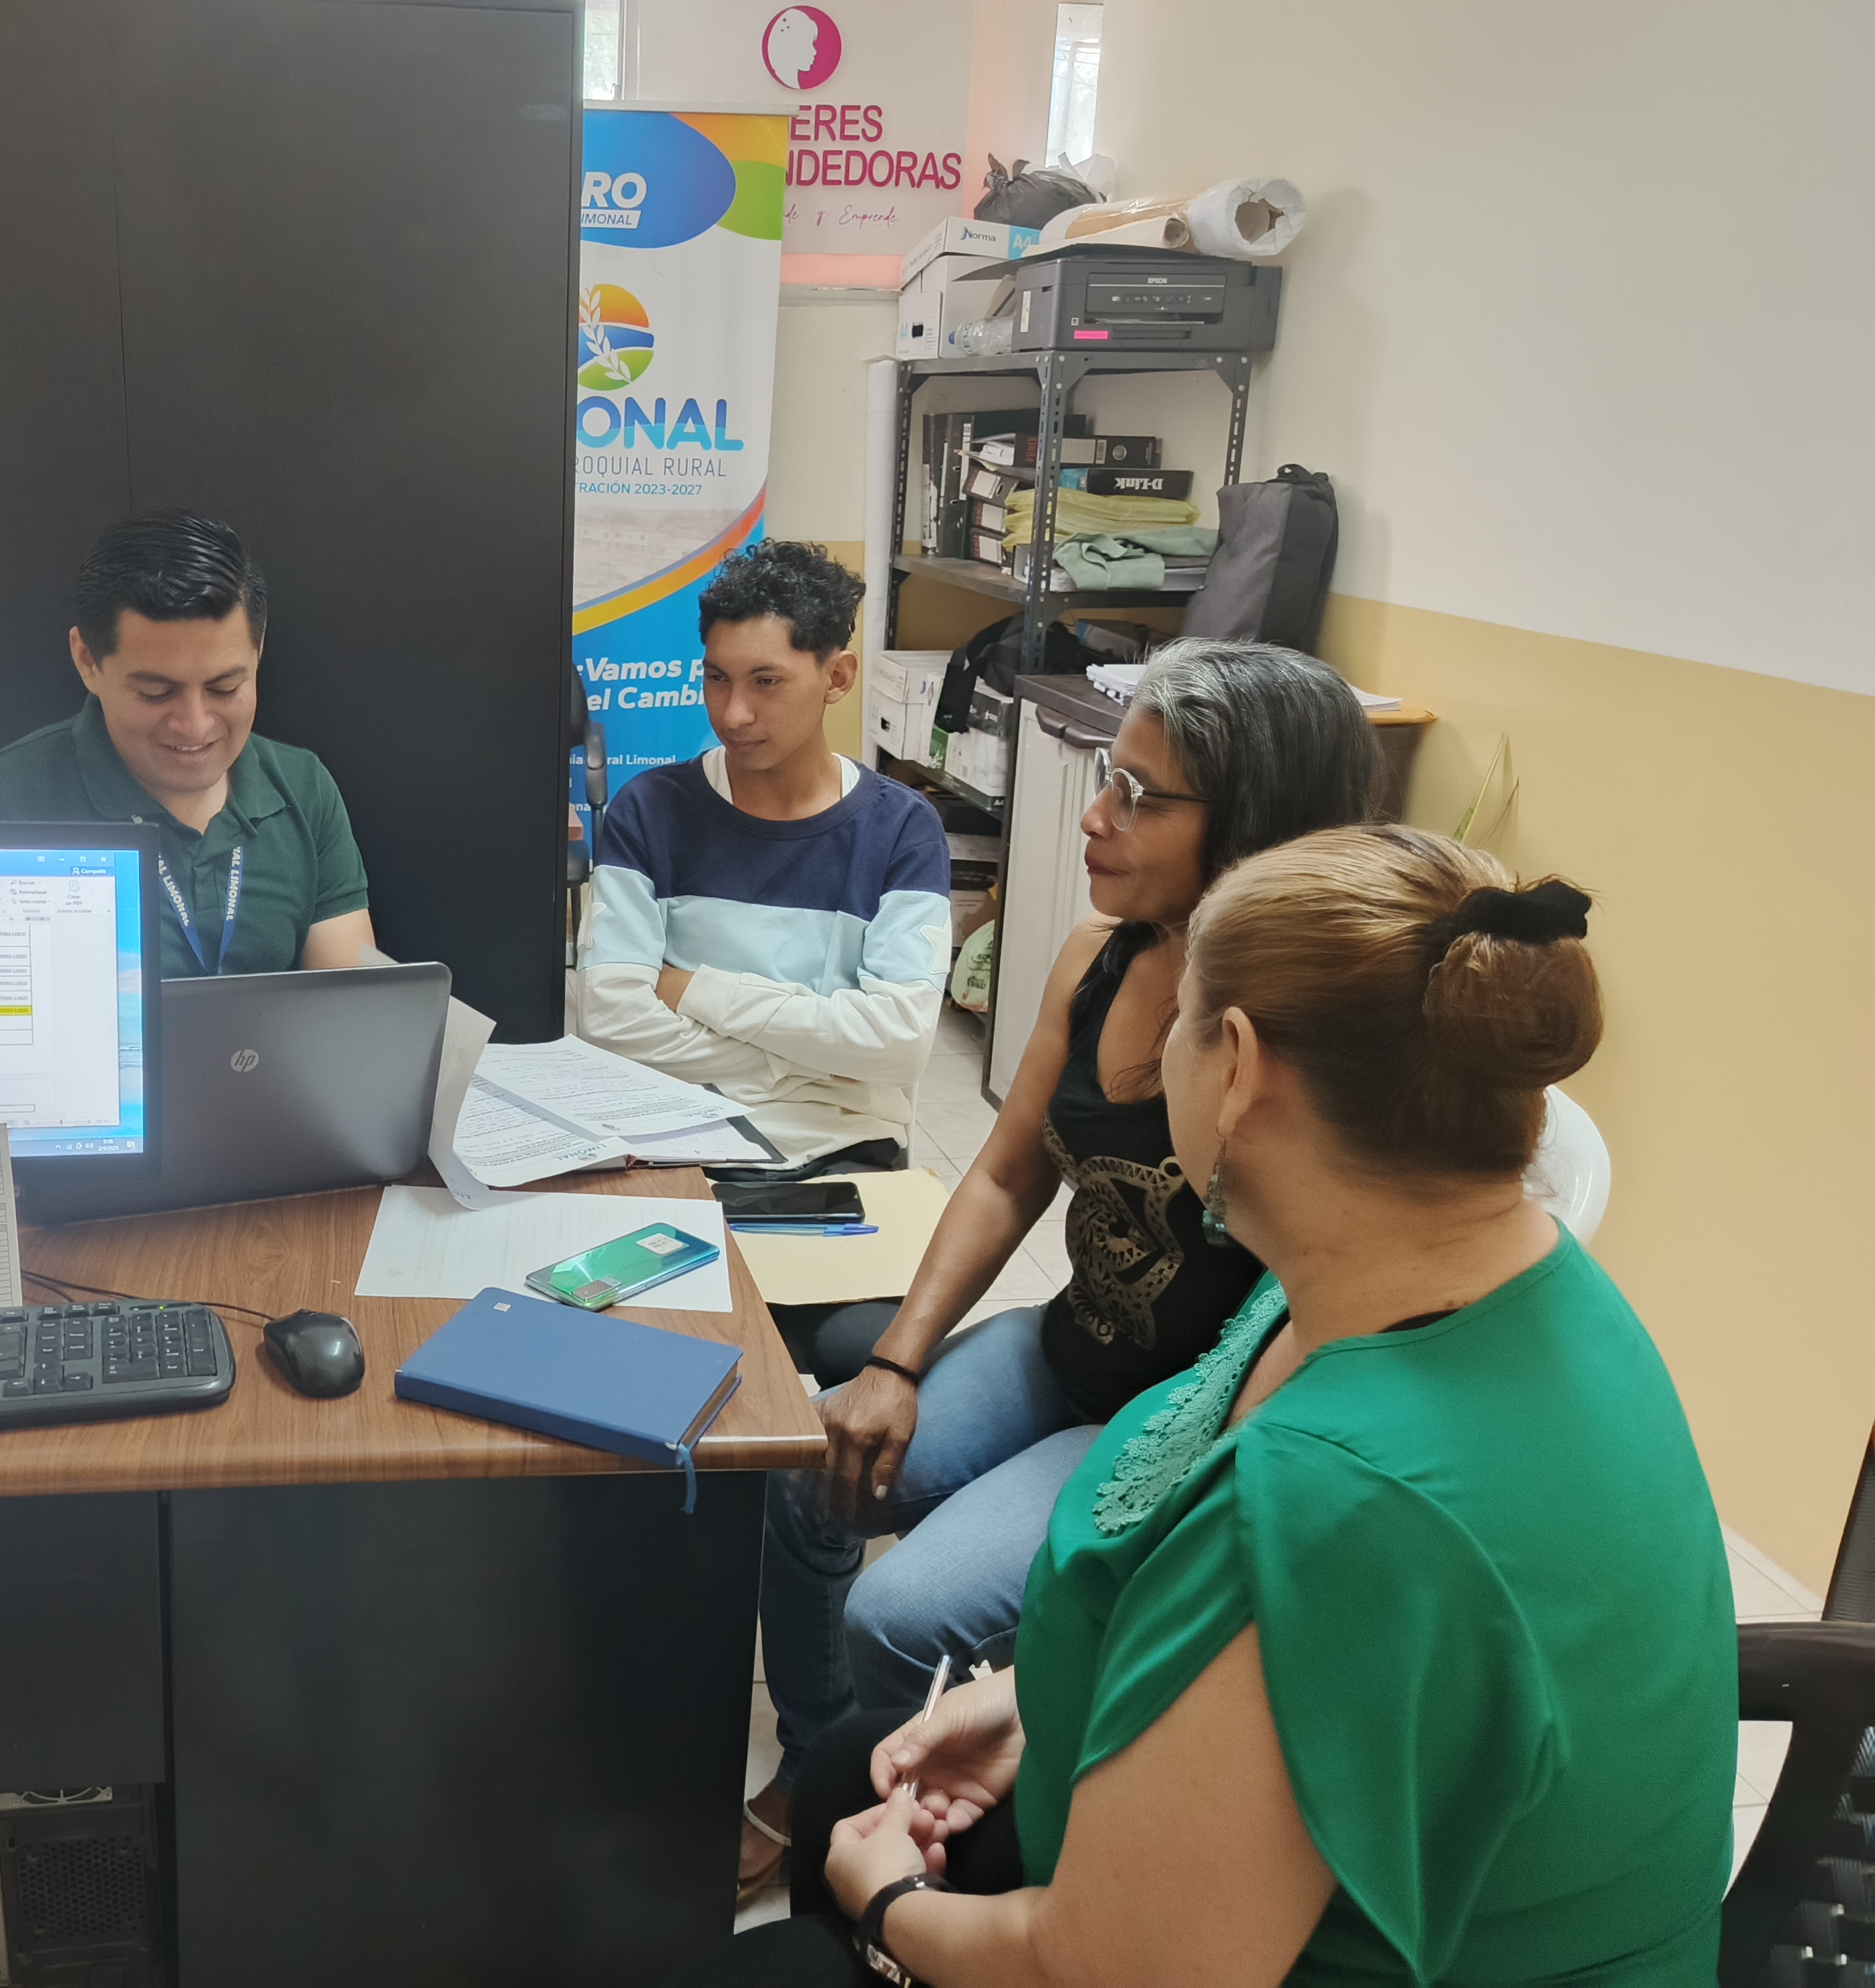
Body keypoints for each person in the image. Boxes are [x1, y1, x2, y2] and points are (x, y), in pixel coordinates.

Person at [672, 824, 1736, 1986]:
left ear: (1237, 1068)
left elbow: (1108, 1972)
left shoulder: (1337, 1505)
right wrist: (1040, 1700)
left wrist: (888, 1904)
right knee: (849, 1768)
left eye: (1176, 1023)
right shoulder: (1459, 1283)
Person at [741, 640, 1378, 1899]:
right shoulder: (1100, 956)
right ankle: (821, 1759)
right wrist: (893, 1362)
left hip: (1176, 1416)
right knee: (808, 1466)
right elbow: (1004, 1172)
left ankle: (943, 1859)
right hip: (1068, 1342)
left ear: (1252, 825)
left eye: (1139, 796)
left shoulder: (1307, 1046)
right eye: (1106, 779)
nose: (1095, 817)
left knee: (898, 1617)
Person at [576, 540, 952, 1186]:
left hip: (843, 1150)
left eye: (766, 682)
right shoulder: (651, 810)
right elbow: (610, 1019)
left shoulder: (901, 830)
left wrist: (695, 990)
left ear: (838, 678)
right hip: (670, 1140)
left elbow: (898, 1046)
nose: (733, 713)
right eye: (716, 678)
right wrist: (816, 1064)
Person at [0, 508, 374, 975]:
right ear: (88, 661)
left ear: (258, 654)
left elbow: (351, 1000)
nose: (195, 727)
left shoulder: (303, 788)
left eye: (225, 688)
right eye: (156, 693)